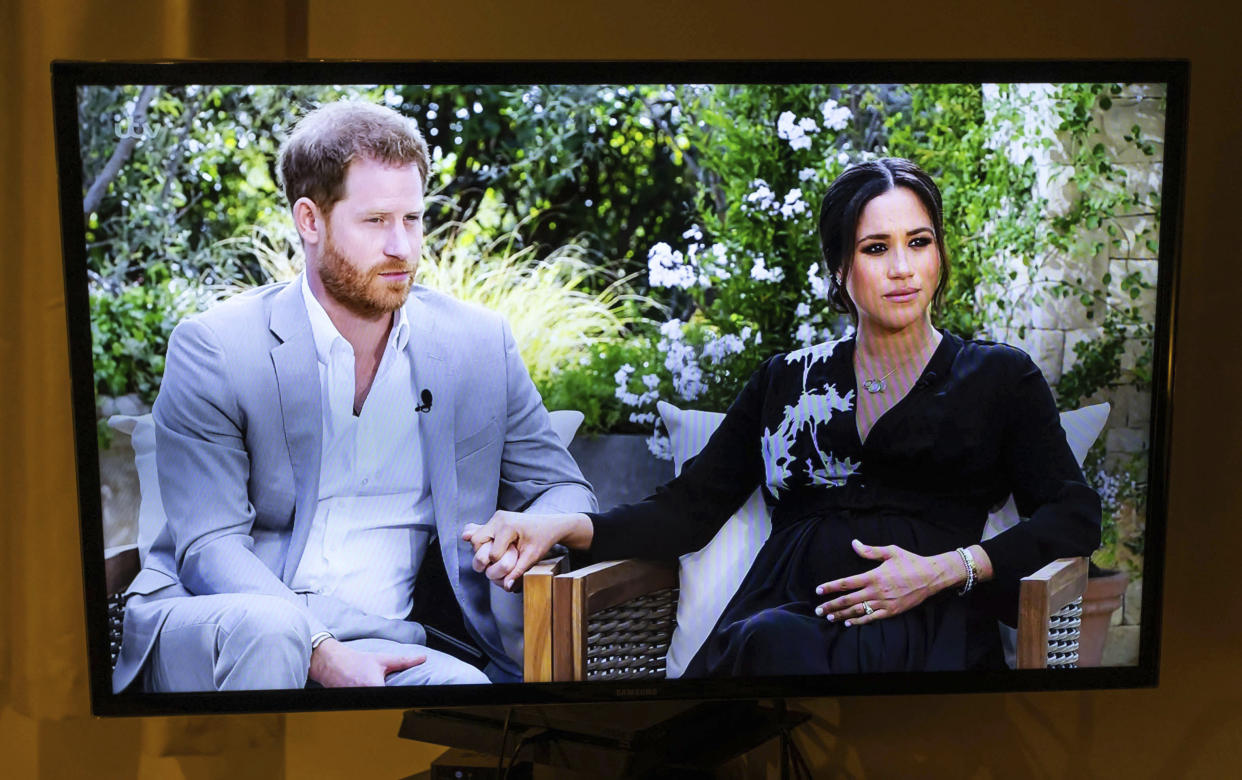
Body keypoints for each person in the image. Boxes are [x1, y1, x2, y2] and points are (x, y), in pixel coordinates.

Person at [463, 157, 1101, 676]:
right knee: (769, 647)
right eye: (876, 248)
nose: (903, 268)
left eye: (919, 242)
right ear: (839, 270)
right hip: (786, 615)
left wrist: (948, 569)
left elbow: (1073, 515)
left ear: (939, 252)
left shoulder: (998, 377)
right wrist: (559, 525)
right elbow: (685, 513)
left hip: (927, 627)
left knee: (770, 660)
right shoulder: (785, 381)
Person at [112, 100, 596, 693]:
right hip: (229, 619)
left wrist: (534, 524)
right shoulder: (215, 347)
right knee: (272, 633)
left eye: (413, 219)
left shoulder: (479, 345)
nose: (402, 246)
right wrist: (318, 647)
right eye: (375, 221)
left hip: (389, 641)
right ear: (310, 221)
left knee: (470, 701)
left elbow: (565, 486)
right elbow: (210, 549)